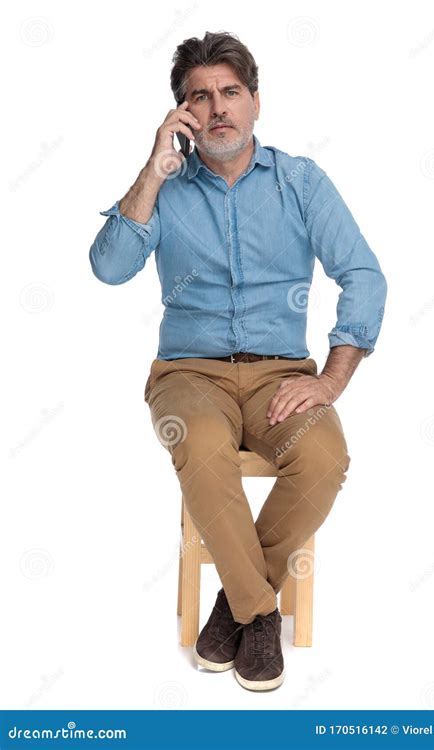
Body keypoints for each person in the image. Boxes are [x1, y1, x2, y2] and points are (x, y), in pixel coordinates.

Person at [89, 30, 387, 692]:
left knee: (325, 458)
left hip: (284, 374)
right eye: (201, 97)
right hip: (190, 376)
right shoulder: (163, 187)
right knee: (200, 443)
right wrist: (152, 167)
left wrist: (331, 380)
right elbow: (109, 267)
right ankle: (260, 613)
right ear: (183, 114)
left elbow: (363, 275)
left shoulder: (301, 182)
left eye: (231, 92)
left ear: (255, 101)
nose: (218, 107)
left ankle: (231, 609)